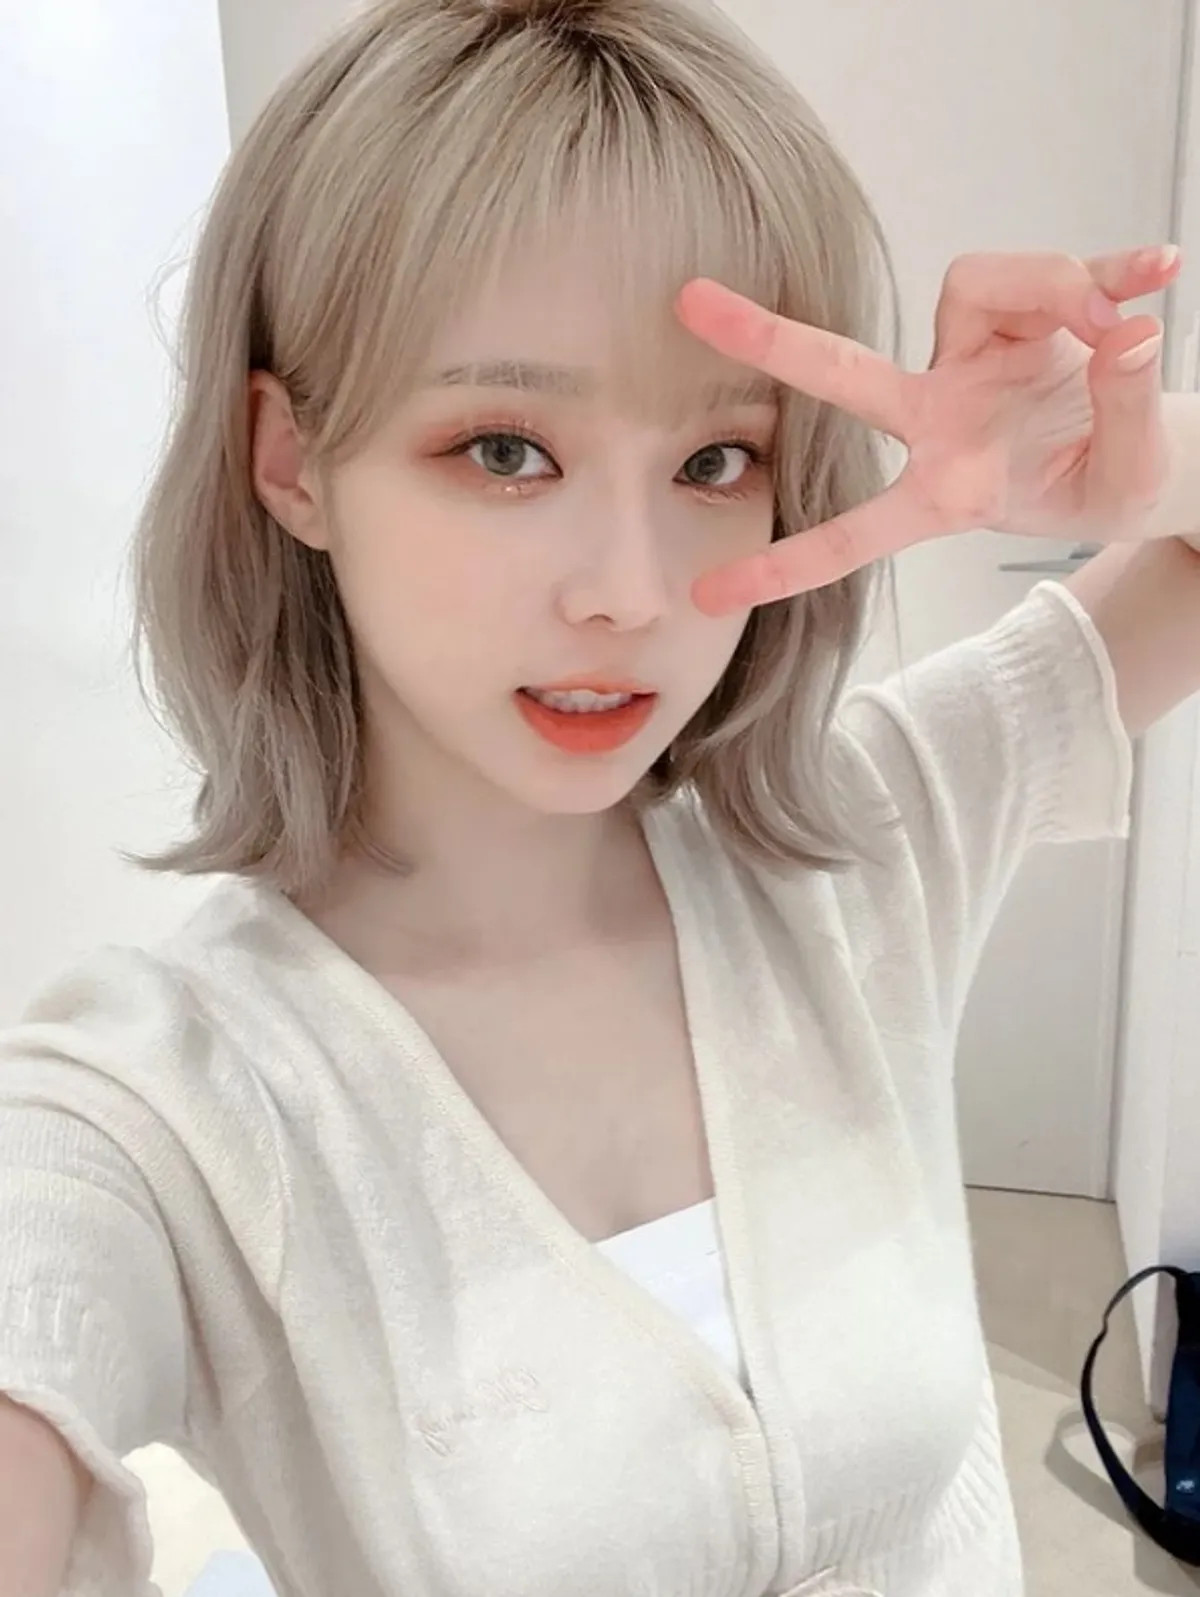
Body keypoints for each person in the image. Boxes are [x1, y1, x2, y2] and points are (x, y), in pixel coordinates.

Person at [2, 0, 1200, 1593]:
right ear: (290, 462)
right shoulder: (169, 1102)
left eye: (714, 461)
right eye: (505, 449)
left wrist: (1126, 457)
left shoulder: (863, 840)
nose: (630, 592)